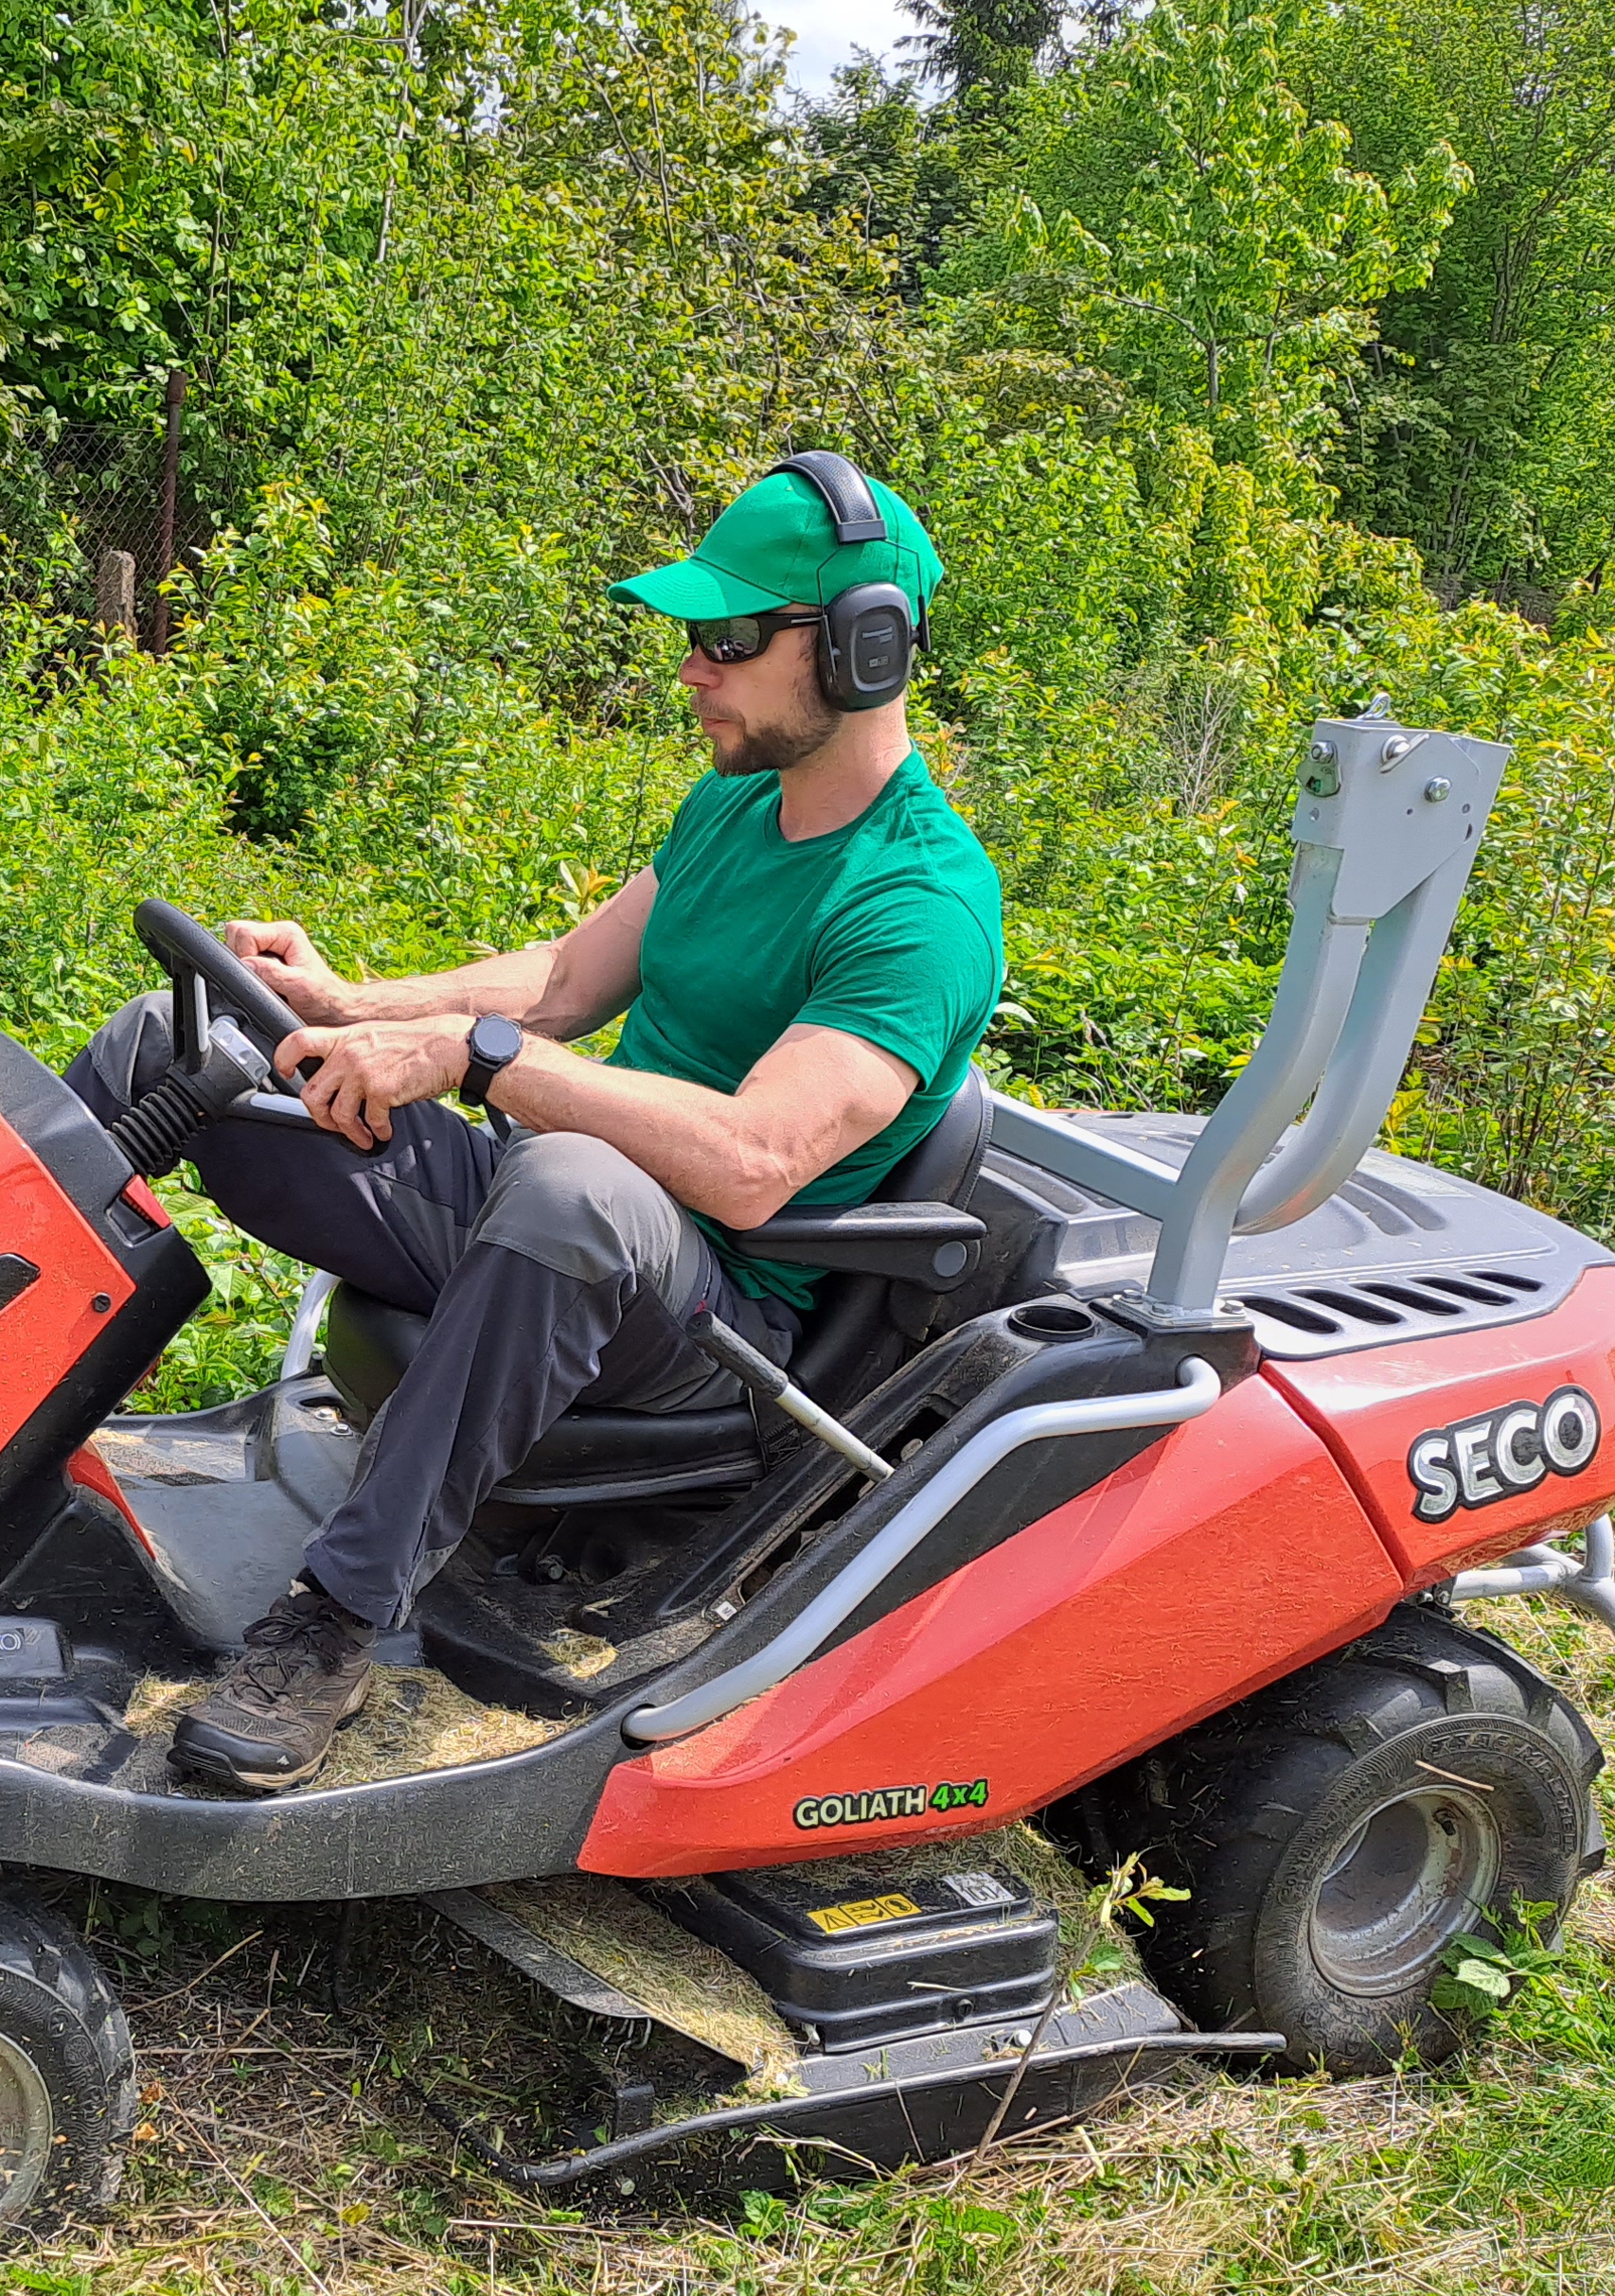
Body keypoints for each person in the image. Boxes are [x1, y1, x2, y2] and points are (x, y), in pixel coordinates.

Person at [62, 457, 1006, 1789]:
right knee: (175, 1040)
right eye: (692, 634)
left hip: (712, 1319)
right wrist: (348, 1003)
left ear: (863, 647)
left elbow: (752, 1162)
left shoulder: (921, 906)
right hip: (557, 1225)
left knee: (568, 1182)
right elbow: (565, 983)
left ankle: (330, 1628)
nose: (694, 667)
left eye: (731, 638)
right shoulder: (737, 803)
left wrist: (475, 1060)